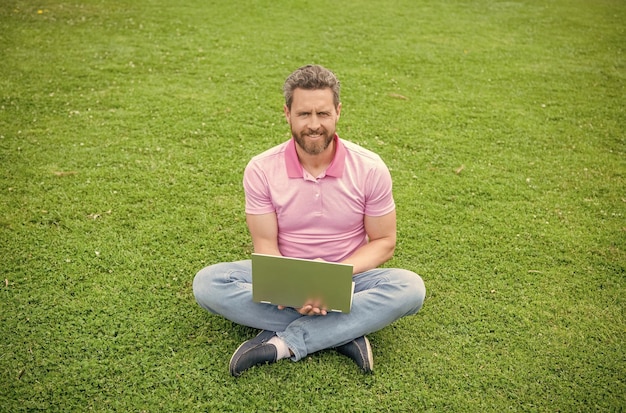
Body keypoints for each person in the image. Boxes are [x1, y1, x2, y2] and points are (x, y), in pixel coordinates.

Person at [193, 64, 426, 377]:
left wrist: (331, 278)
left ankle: (283, 343)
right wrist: (291, 289)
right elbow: (265, 244)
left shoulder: (370, 168)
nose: (314, 125)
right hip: (285, 277)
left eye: (323, 114)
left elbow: (384, 242)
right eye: (304, 114)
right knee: (207, 283)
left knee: (410, 288)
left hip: (348, 277)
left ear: (338, 112)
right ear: (287, 113)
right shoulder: (261, 169)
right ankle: (343, 332)